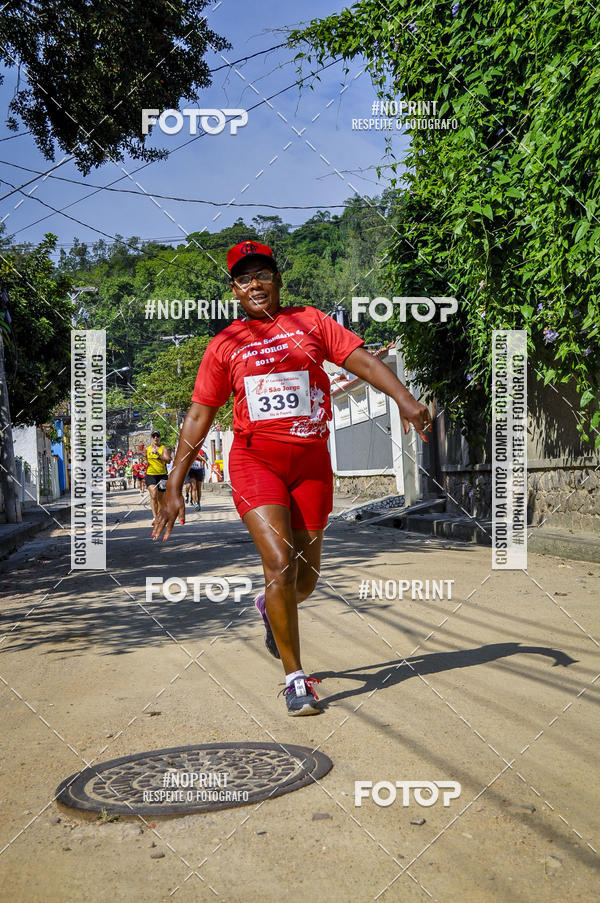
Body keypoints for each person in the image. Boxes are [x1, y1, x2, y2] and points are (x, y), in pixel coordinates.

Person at [152, 240, 431, 716]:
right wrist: (174, 483)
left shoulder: (312, 322)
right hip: (254, 462)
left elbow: (361, 360)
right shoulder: (224, 346)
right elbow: (200, 415)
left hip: (311, 466)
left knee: (304, 580)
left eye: (262, 274)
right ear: (234, 291)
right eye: (243, 279)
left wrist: (404, 398)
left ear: (278, 280)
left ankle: (270, 609)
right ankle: (295, 679)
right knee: (279, 564)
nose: (254, 284)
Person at [145, 430, 171, 523]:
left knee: (161, 498)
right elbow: (144, 459)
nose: (155, 438)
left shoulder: (163, 448)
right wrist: (144, 462)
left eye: (157, 436)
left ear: (159, 438)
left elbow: (168, 460)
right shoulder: (147, 449)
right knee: (153, 494)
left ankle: (160, 514)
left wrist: (159, 455)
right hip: (151, 474)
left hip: (162, 475)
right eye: (154, 436)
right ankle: (155, 517)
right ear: (151, 438)